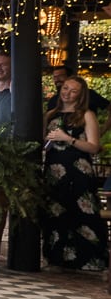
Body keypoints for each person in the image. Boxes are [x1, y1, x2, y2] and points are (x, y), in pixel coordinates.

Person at [41, 75, 109, 272]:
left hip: (79, 171)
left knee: (84, 213)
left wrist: (68, 139)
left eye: (73, 91)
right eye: (65, 89)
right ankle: (56, 259)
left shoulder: (86, 115)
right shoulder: (51, 115)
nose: (67, 93)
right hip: (54, 170)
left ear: (81, 95)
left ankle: (91, 260)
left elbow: (94, 147)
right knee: (55, 213)